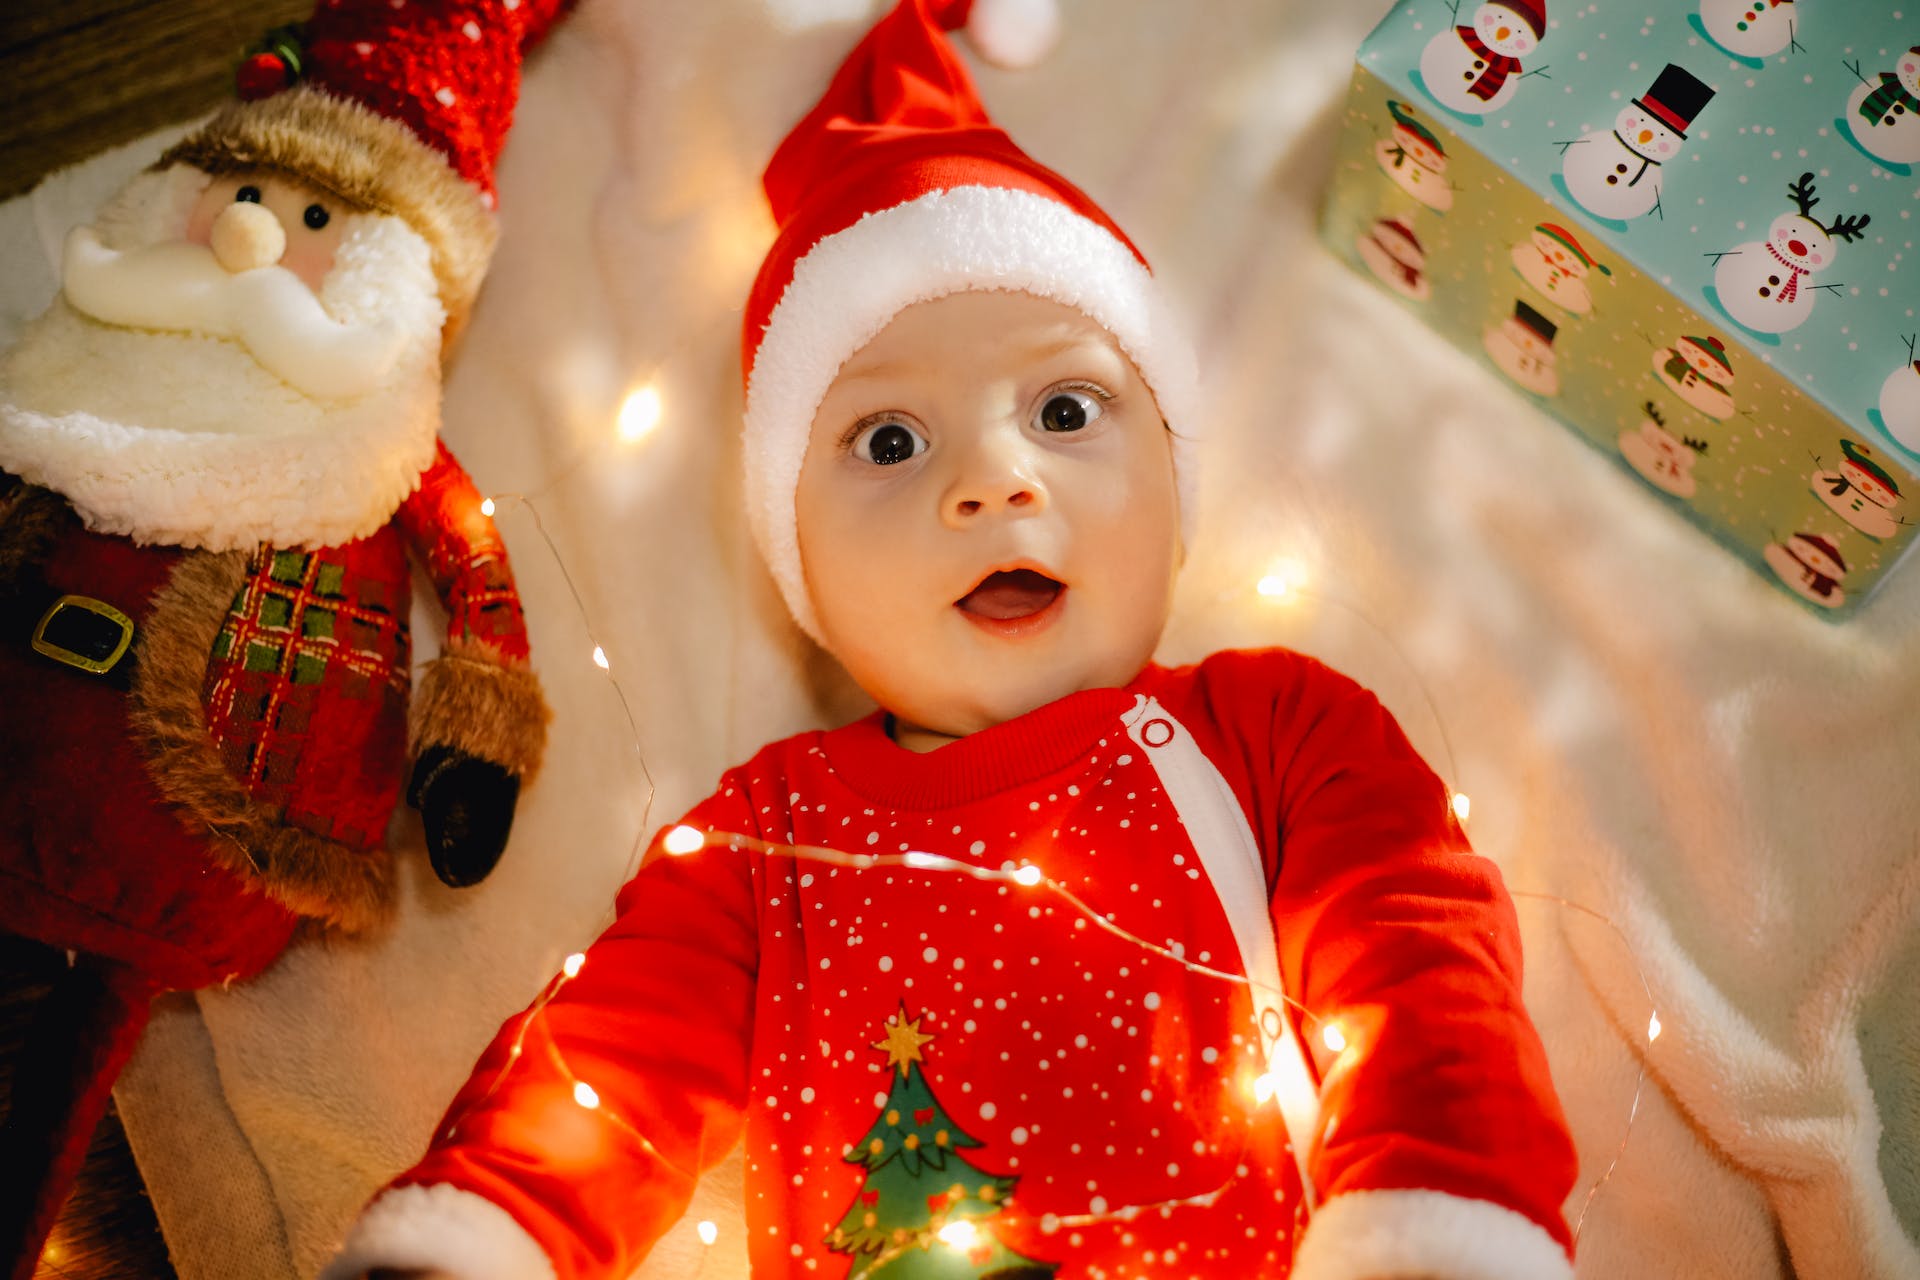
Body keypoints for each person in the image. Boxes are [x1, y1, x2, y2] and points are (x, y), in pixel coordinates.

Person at [324, 2, 1578, 1277]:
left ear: (1176, 493)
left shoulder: (1281, 731)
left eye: (1068, 406)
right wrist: (489, 1231)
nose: (993, 478)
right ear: (798, 559)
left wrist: (1436, 1202)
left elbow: (1415, 957)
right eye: (889, 441)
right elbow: (610, 1058)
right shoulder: (767, 842)